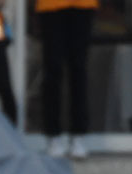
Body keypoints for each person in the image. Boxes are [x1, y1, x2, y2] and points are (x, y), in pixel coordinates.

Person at [36, 0, 96, 159]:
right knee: (53, 68)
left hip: (82, 5)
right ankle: (53, 135)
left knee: (78, 68)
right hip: (50, 5)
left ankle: (78, 134)